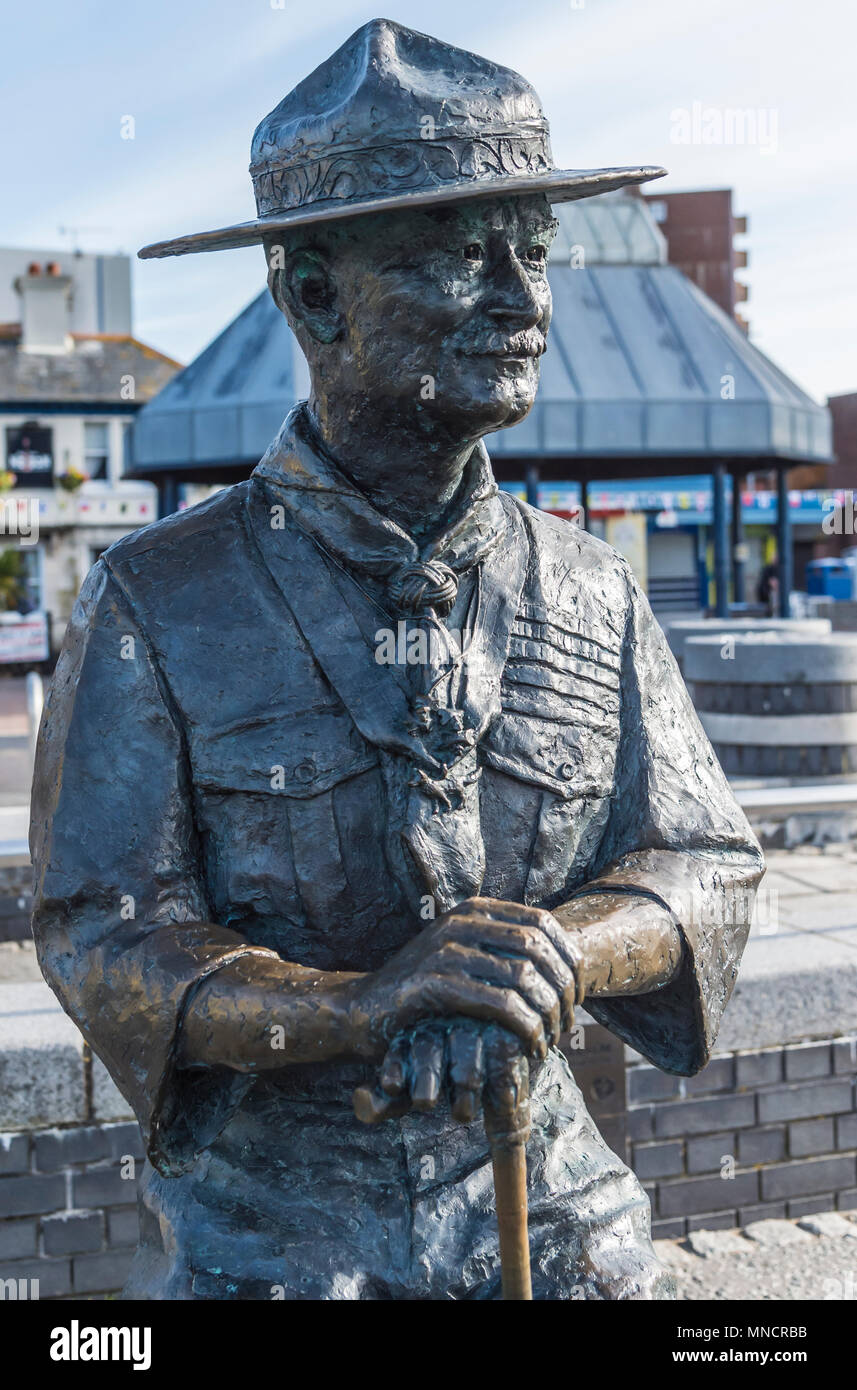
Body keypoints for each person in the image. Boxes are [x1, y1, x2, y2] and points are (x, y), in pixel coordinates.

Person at [31, 19, 763, 1300]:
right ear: (314, 292)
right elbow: (103, 932)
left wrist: (556, 953)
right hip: (277, 1251)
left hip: (560, 1237)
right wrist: (354, 1010)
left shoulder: (592, 589)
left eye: (533, 255)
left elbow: (703, 865)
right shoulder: (159, 601)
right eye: (462, 259)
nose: (524, 301)